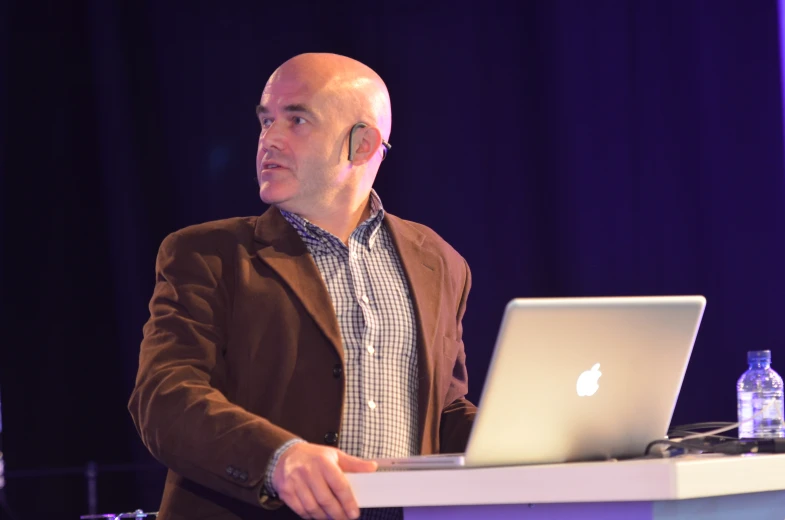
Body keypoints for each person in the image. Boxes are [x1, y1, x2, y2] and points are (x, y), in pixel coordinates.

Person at [128, 52, 477, 520]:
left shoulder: (439, 261)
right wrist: (279, 459)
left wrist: (540, 444)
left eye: (296, 120)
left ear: (362, 143)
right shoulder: (206, 255)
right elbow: (164, 398)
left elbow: (444, 411)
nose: (268, 139)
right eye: (266, 120)